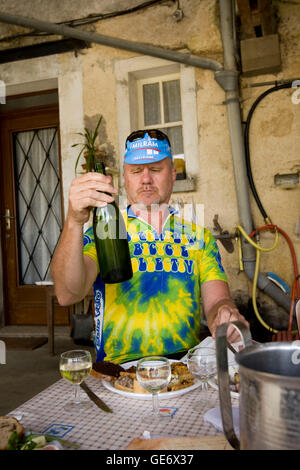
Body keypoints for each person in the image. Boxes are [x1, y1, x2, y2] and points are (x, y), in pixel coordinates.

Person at [51, 129, 249, 364]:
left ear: (173, 175)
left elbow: (217, 302)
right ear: (125, 178)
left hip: (184, 368)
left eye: (155, 169)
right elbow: (66, 294)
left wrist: (226, 314)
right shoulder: (107, 230)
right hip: (119, 371)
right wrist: (74, 221)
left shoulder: (199, 237)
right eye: (136, 171)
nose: (146, 179)